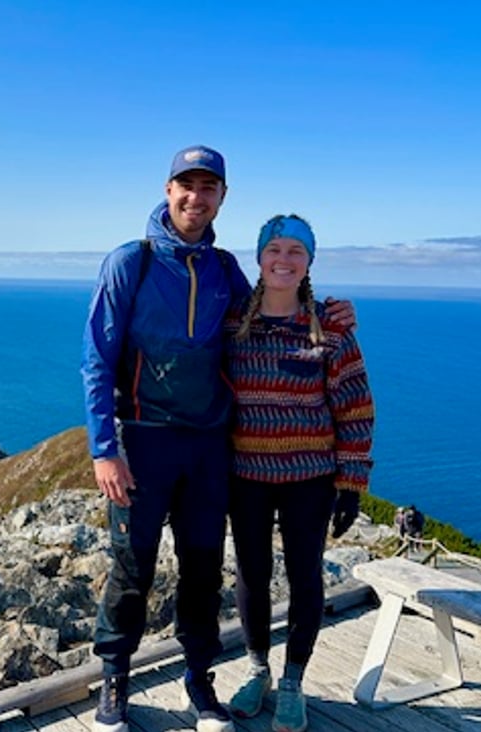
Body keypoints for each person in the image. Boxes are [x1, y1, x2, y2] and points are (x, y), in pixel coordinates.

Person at [82, 149, 354, 732]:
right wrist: (104, 447)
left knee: (202, 569)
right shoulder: (132, 261)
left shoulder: (226, 268)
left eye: (209, 187)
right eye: (187, 184)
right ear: (168, 188)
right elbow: (96, 358)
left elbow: (271, 298)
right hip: (143, 441)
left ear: (222, 198)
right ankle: (114, 681)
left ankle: (200, 683)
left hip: (208, 448)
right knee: (133, 567)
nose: (196, 197)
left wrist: (330, 311)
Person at [223, 215, 374, 732]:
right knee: (252, 575)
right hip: (245, 475)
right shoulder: (231, 323)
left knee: (304, 576)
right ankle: (257, 671)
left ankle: (293, 682)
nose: (283, 260)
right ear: (259, 257)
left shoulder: (331, 329)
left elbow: (355, 407)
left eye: (295, 251)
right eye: (274, 250)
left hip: (310, 477)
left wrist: (352, 484)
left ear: (309, 261)